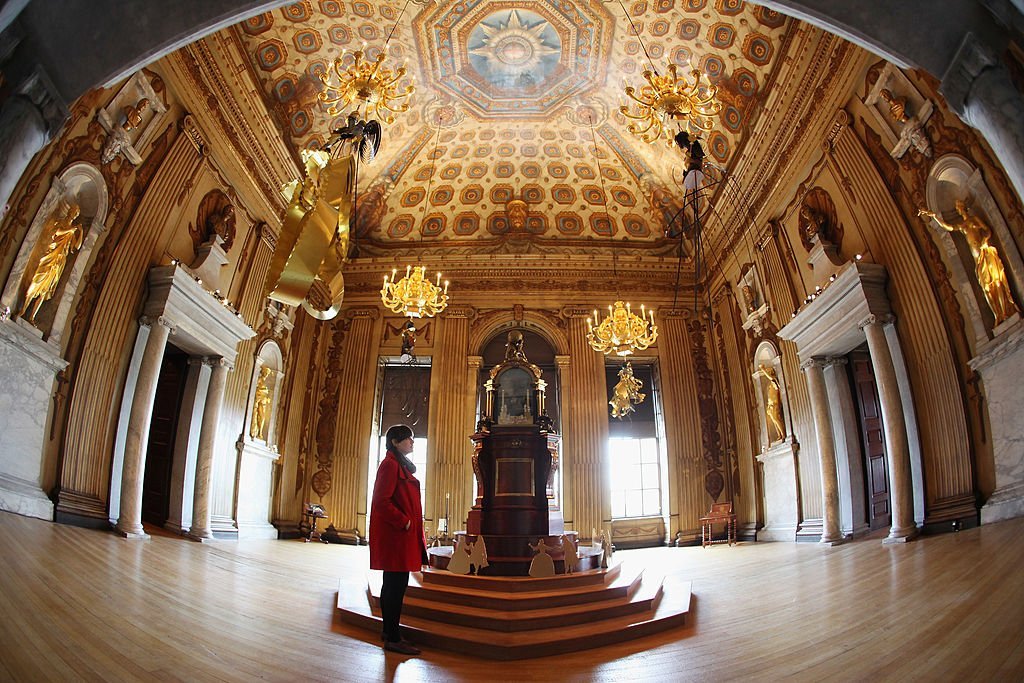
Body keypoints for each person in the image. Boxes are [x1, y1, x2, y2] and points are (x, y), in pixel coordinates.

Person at [369, 424, 428, 655]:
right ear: (395, 441)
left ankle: (389, 630)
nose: (412, 442)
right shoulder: (390, 465)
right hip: (396, 537)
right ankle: (393, 637)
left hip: (400, 537)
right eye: (409, 439)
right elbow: (381, 501)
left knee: (394, 586)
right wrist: (405, 521)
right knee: (394, 587)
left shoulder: (398, 464)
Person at [920, 201, 1020, 325]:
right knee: (987, 288)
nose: (959, 210)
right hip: (978, 260)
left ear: (964, 208)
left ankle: (1006, 311)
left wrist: (985, 239)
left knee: (997, 280)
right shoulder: (962, 225)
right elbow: (948, 227)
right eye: (957, 208)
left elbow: (987, 230)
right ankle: (997, 315)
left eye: (959, 207)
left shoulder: (974, 219)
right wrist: (934, 216)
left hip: (986, 253)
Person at [19, 203, 84, 322]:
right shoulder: (62, 223)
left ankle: (32, 317)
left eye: (77, 214)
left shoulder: (72, 231)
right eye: (74, 212)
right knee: (35, 282)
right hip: (50, 256)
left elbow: (76, 247)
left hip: (59, 262)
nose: (74, 215)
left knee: (45, 291)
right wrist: (71, 229)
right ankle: (22, 310)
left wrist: (80, 232)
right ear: (70, 211)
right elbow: (57, 232)